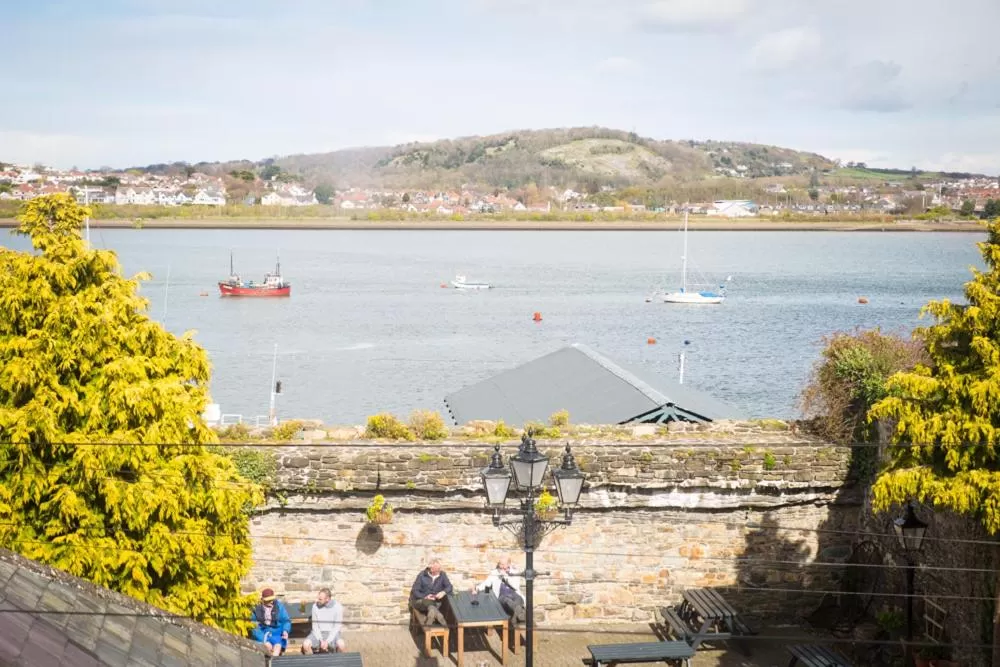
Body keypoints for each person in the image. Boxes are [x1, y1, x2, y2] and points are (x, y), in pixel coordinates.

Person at [473, 555, 526, 623]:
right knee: (507, 601)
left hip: (514, 594)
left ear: (509, 564)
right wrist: (477, 588)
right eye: (500, 564)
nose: (502, 566)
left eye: (504, 564)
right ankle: (520, 614)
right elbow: (487, 583)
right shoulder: (495, 572)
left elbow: (515, 586)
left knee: (519, 599)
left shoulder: (515, 572)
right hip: (502, 596)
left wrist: (505, 576)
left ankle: (515, 615)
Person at [409, 557, 453, 626]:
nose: (439, 571)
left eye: (440, 569)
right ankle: (439, 617)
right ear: (431, 569)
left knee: (432, 607)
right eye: (437, 569)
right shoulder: (422, 575)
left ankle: (429, 622)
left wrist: (443, 592)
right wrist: (425, 597)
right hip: (421, 601)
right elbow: (415, 590)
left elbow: (449, 587)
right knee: (429, 604)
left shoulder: (442, 575)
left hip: (435, 602)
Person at [302, 587, 345, 655]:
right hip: (318, 633)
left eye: (320, 599)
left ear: (327, 599)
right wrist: (321, 640)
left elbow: (336, 628)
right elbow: (315, 626)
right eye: (318, 598)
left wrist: (327, 641)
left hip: (332, 633)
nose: (318, 600)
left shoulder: (338, 607)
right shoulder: (315, 607)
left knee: (341, 645)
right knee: (305, 645)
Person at [251, 588, 291, 657]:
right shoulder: (257, 609)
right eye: (269, 600)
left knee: (277, 647)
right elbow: (254, 626)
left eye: (272, 600)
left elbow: (286, 621)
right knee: (267, 647)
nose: (271, 602)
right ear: (263, 600)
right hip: (263, 634)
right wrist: (264, 639)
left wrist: (285, 631)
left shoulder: (279, 607)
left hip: (277, 634)